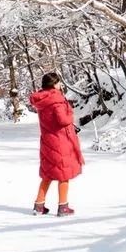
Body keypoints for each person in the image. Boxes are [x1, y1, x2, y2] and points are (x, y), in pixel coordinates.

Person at [29, 71, 84, 216]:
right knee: (63, 174)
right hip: (61, 142)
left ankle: (39, 205)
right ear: (54, 84)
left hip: (47, 141)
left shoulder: (42, 100)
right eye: (59, 82)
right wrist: (71, 113)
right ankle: (63, 207)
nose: (60, 85)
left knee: (48, 175)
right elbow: (63, 121)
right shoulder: (57, 100)